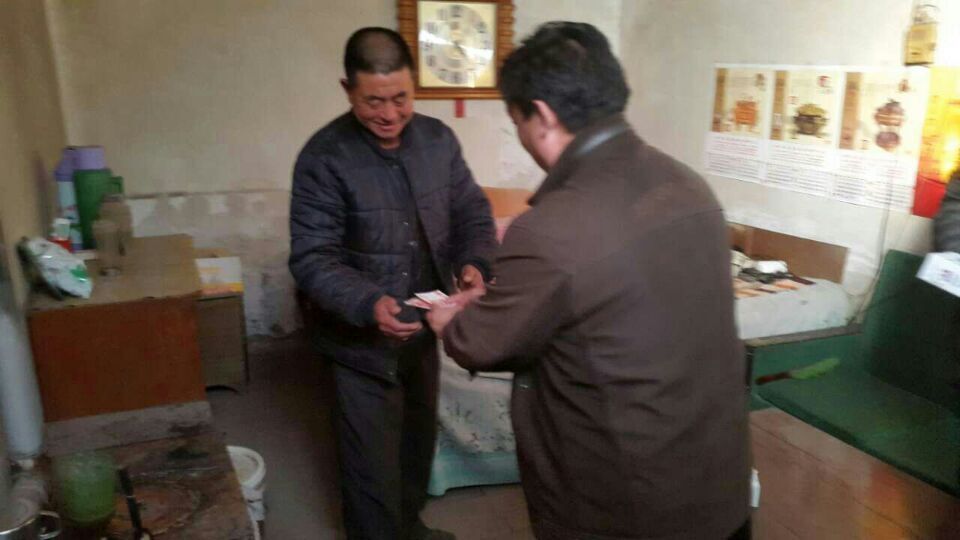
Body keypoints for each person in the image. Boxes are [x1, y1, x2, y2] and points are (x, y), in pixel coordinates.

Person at [427, 22, 751, 540]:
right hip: (718, 484)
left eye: (517, 121)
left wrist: (451, 321)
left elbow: (480, 343)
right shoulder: (689, 185)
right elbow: (612, 304)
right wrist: (510, 299)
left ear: (542, 116)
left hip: (626, 506)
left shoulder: (551, 227)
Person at [289, 27, 496, 540]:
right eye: (373, 101)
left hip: (422, 328)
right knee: (369, 466)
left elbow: (471, 211)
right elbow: (312, 258)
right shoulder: (324, 157)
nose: (389, 113)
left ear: (414, 86)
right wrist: (368, 302)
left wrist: (475, 261)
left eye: (400, 98)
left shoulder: (438, 141)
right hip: (358, 342)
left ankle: (410, 529)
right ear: (347, 90)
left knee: (415, 446)